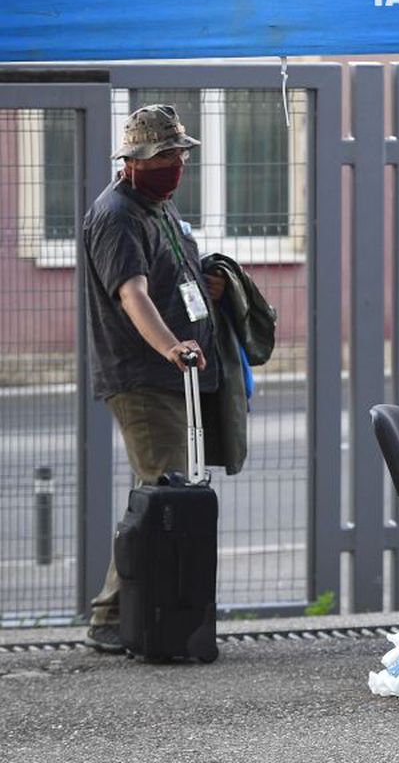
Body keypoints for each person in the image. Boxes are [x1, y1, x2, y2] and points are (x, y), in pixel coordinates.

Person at [80, 105, 224, 652]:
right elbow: (132, 292)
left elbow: (170, 275)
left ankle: (123, 612)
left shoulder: (156, 206)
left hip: (170, 376)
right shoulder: (117, 214)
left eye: (180, 154)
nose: (176, 164)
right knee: (162, 493)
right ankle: (113, 617)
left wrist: (208, 285)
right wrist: (171, 345)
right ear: (135, 160)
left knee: (157, 492)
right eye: (165, 155)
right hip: (141, 375)